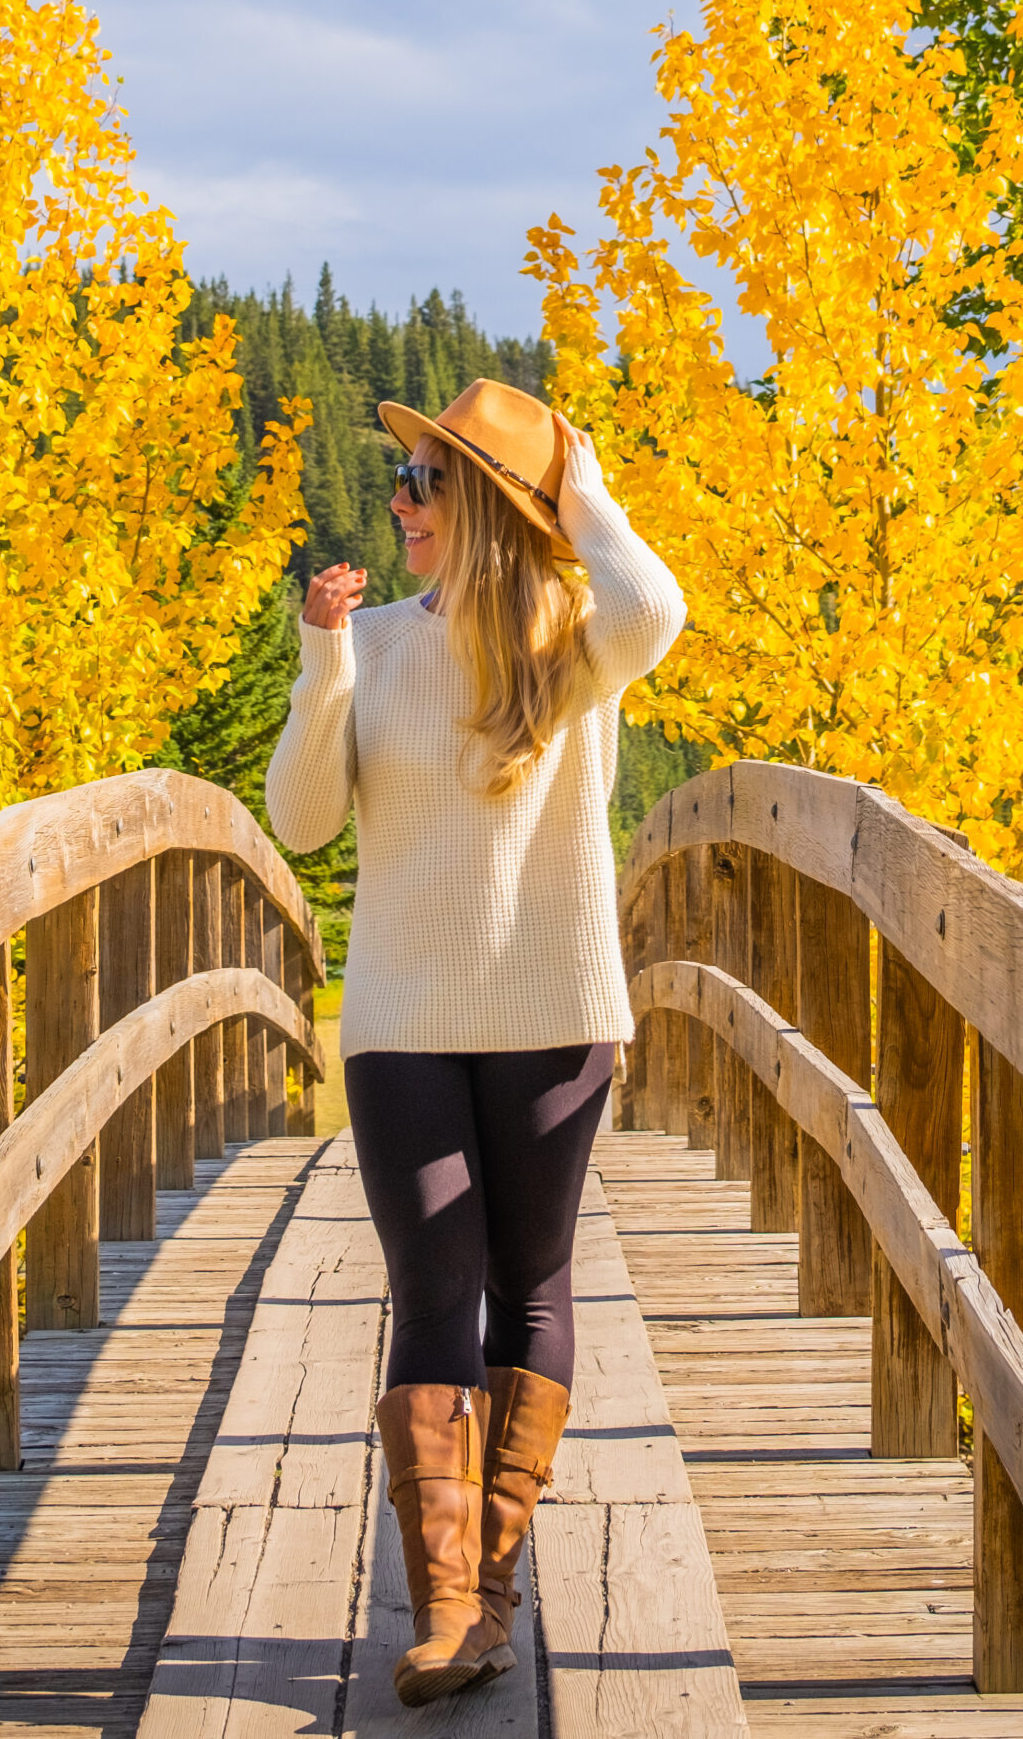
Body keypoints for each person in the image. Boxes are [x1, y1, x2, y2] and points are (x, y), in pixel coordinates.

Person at [266, 376, 685, 1707]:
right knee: (435, 1283)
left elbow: (655, 606)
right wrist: (322, 662)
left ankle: (488, 1597)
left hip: (554, 1010)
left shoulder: (576, 643)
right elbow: (302, 821)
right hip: (400, 1022)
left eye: (429, 481)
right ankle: (447, 1607)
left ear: (497, 507)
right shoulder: (376, 645)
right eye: (401, 481)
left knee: (532, 1282)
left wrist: (580, 483)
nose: (399, 504)